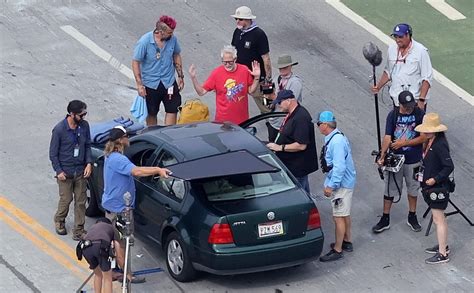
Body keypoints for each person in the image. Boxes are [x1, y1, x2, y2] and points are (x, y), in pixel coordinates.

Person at [101, 126, 170, 283]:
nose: (128, 139)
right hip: (120, 209)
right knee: (121, 243)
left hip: (113, 205)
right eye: (126, 136)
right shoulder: (119, 159)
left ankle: (115, 271)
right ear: (120, 140)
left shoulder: (110, 156)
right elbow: (137, 172)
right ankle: (127, 275)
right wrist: (158, 170)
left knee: (115, 241)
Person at [372, 91, 426, 234]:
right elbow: (387, 137)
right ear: (400, 104)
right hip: (395, 159)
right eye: (407, 106)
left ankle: (412, 215)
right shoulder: (393, 115)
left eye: (411, 106)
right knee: (389, 189)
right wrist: (382, 156)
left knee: (413, 188)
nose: (409, 109)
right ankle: (385, 217)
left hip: (413, 159)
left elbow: (423, 137)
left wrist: (404, 143)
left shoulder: (419, 114)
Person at [315, 111, 356, 262]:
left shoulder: (336, 142)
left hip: (341, 185)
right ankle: (347, 241)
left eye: (319, 124)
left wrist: (331, 186)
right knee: (344, 214)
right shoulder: (337, 137)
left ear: (325, 125)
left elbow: (339, 167)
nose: (318, 126)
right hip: (346, 182)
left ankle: (338, 249)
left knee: (338, 216)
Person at [49, 100, 92, 240]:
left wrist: (89, 163)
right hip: (65, 172)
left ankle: (79, 229)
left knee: (81, 201)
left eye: (85, 114)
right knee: (66, 199)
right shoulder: (59, 130)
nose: (83, 117)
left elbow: (87, 146)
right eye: (81, 114)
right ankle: (59, 220)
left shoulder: (84, 126)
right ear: (72, 114)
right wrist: (59, 171)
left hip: (80, 171)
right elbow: (53, 153)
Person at [415, 113, 454, 264]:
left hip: (437, 188)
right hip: (430, 187)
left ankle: (442, 253)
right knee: (439, 219)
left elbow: (449, 166)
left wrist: (435, 179)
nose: (425, 132)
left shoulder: (439, 145)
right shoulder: (431, 142)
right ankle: (443, 245)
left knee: (439, 219)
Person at [132, 15, 184, 126]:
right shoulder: (144, 42)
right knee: (151, 113)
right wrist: (139, 85)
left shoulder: (172, 40)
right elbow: (136, 62)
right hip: (151, 84)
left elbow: (176, 55)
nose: (172, 35)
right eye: (169, 32)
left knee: (172, 109)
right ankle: (154, 136)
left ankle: (168, 136)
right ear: (160, 31)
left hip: (168, 81)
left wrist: (180, 76)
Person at [188, 45, 261, 124]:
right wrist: (193, 78)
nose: (227, 65)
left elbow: (251, 91)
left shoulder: (244, 70)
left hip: (242, 120)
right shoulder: (216, 73)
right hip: (223, 121)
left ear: (235, 59)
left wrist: (257, 77)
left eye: (230, 62)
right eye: (224, 62)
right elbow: (201, 92)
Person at [266, 90, 318, 193]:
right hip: (293, 165)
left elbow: (301, 145)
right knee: (305, 192)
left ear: (288, 101)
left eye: (280, 102)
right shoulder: (293, 113)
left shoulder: (300, 118)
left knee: (299, 193)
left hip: (297, 167)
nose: (279, 105)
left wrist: (280, 147)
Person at [371, 23, 433, 110]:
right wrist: (378, 87)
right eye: (395, 37)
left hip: (414, 102)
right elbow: (388, 71)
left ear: (408, 35)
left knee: (415, 124)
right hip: (397, 101)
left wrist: (421, 100)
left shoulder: (421, 51)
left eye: (400, 37)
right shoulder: (391, 49)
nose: (397, 40)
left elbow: (427, 78)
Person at [230, 6, 273, 114]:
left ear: (249, 19)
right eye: (236, 19)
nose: (237, 21)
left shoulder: (259, 35)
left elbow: (266, 58)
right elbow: (233, 52)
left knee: (267, 106)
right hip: (241, 77)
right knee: (236, 103)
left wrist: (267, 79)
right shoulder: (237, 32)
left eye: (240, 19)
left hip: (258, 79)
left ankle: (273, 124)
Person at [267, 54, 303, 142]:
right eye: (280, 68)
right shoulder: (276, 78)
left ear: (291, 66)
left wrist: (273, 97)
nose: (282, 70)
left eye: (285, 67)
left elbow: (290, 103)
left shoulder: (295, 82)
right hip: (274, 121)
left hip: (286, 123)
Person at [81, 217, 116, 293]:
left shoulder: (93, 228)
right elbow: (118, 251)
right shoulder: (110, 228)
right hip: (100, 247)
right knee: (107, 278)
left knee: (98, 274)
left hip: (85, 248)